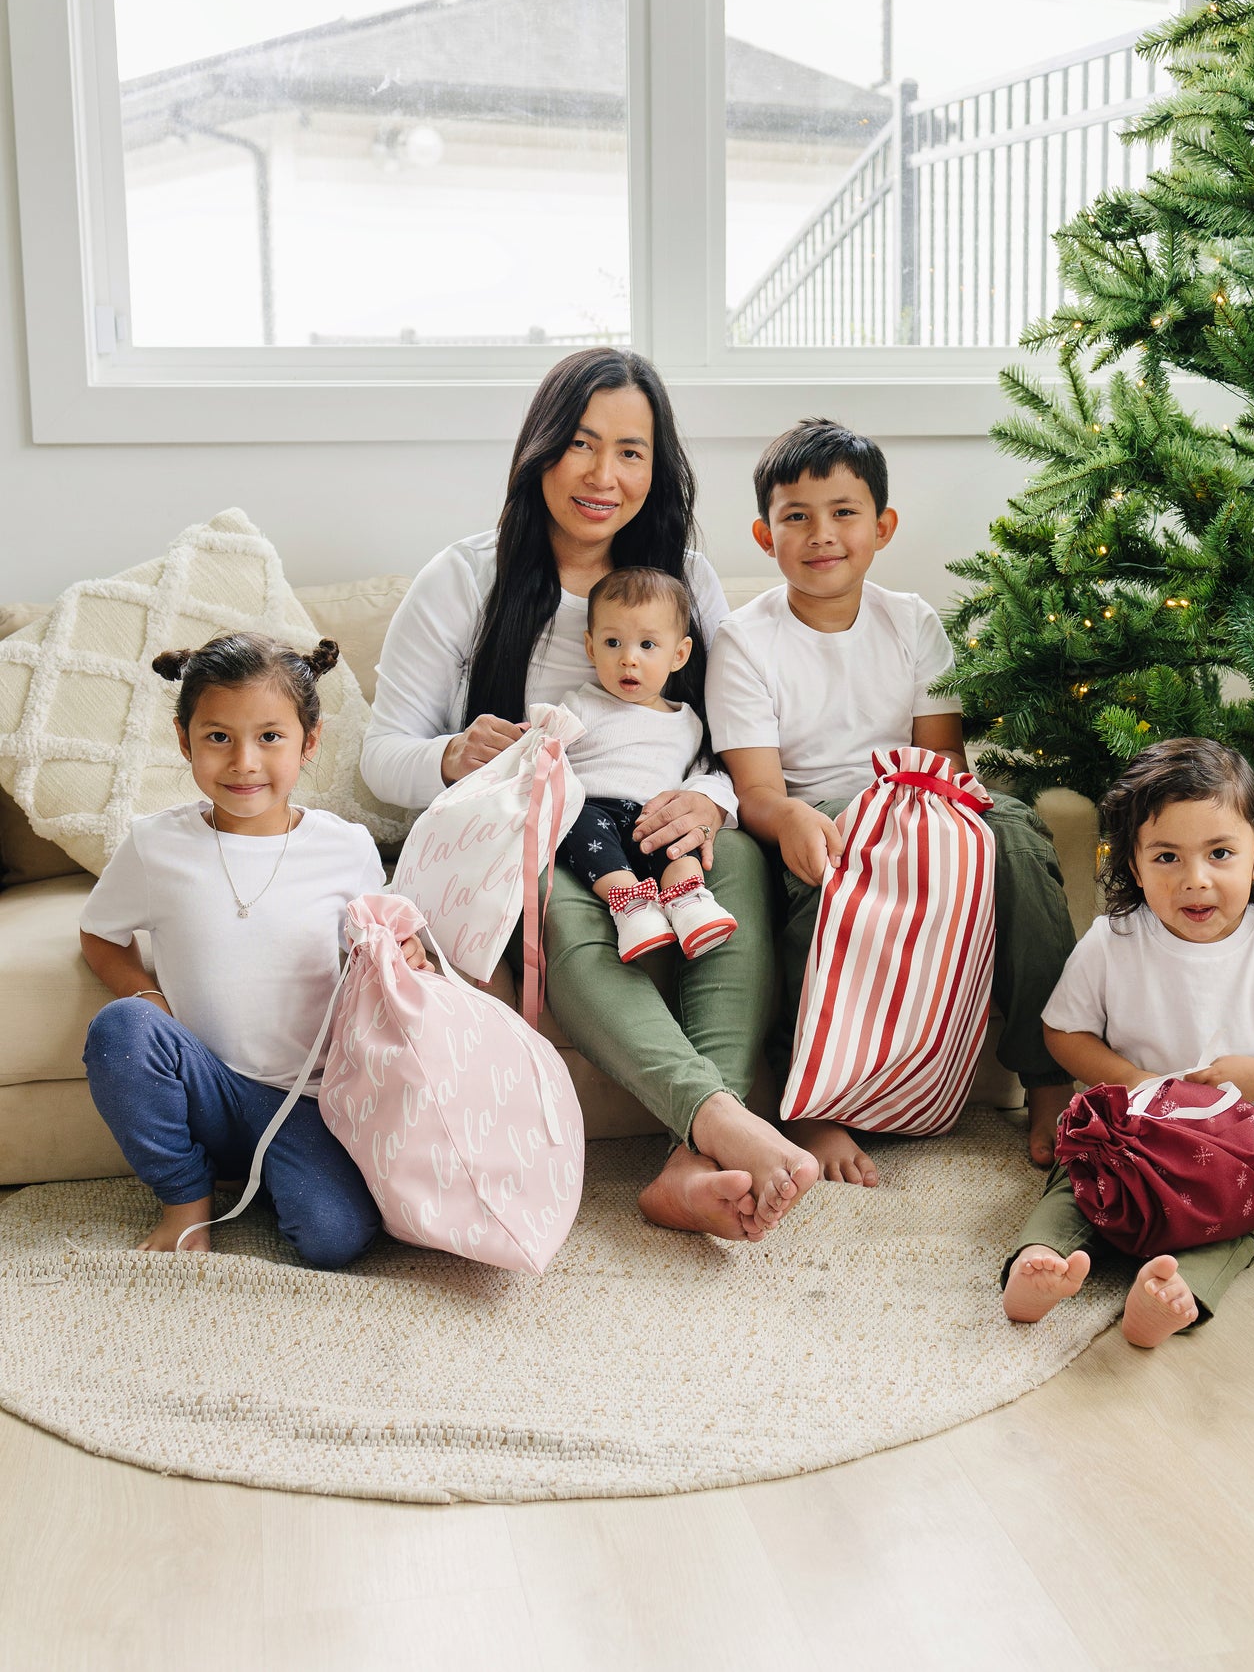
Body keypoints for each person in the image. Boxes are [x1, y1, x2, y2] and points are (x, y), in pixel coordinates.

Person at [361, 346, 818, 1242]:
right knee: (567, 915)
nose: (604, 475)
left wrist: (715, 800)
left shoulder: (684, 575)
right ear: (540, 448)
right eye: (580, 443)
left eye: (632, 451)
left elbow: (737, 727)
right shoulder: (462, 578)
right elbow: (380, 757)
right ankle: (719, 1120)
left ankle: (692, 1166)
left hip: (663, 815)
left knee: (735, 872)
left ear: (659, 465)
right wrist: (454, 753)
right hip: (534, 831)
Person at [706, 417, 1078, 1185]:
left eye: (843, 512)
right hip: (816, 817)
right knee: (823, 882)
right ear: (763, 533)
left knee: (1012, 839)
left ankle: (1048, 1077)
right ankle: (815, 1101)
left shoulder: (911, 620)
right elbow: (758, 793)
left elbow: (944, 755)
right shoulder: (742, 641)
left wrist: (920, 819)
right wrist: (803, 822)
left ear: (881, 526)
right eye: (795, 517)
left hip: (919, 798)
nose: (821, 534)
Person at [79, 633, 426, 1266]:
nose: (243, 762)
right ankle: (187, 1198)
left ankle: (272, 1174)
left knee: (334, 1241)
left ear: (308, 742)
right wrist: (147, 995)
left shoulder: (345, 848)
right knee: (122, 1027)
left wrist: (402, 957)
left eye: (270, 737)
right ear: (185, 741)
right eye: (218, 738)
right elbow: (99, 933)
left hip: (306, 1102)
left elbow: (378, 942)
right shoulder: (156, 845)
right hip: (203, 1085)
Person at [1001, 737, 1254, 1347]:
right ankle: (1038, 1263)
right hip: (1133, 1130)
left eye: (1220, 853)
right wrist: (1131, 1081)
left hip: (1242, 1145)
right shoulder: (1113, 942)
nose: (1196, 880)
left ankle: (1175, 1291)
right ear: (1133, 865)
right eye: (1166, 857)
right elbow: (1063, 1031)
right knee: (1075, 1186)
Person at [556, 566, 737, 963]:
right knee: (574, 821)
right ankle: (633, 908)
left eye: (647, 645)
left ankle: (689, 903)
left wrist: (701, 802)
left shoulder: (688, 721)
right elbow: (543, 754)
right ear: (590, 648)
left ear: (679, 654)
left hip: (652, 817)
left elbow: (704, 778)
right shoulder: (580, 703)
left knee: (677, 841)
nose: (628, 660)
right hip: (592, 810)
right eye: (613, 642)